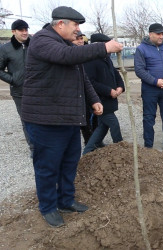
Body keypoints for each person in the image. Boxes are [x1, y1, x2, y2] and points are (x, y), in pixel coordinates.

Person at [21, 6, 123, 227]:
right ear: (60, 24)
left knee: (69, 163)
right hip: (45, 120)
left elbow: (82, 77)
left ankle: (66, 201)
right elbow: (68, 57)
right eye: (75, 25)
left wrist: (94, 99)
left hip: (67, 118)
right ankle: (48, 207)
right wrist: (104, 47)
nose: (78, 30)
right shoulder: (42, 41)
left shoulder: (64, 44)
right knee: (48, 167)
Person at [134, 23, 163, 153]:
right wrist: (155, 81)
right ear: (150, 34)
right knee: (149, 117)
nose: (161, 36)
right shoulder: (141, 49)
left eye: (162, 34)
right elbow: (139, 70)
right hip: (150, 90)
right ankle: (148, 146)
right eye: (158, 34)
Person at [83, 33, 125, 155]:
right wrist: (108, 91)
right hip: (99, 100)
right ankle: (121, 149)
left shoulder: (106, 59)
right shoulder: (90, 60)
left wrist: (120, 87)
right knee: (114, 124)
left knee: (102, 127)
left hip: (110, 99)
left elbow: (116, 75)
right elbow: (90, 82)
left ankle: (88, 151)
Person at [0, 19, 33, 156]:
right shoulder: (5, 49)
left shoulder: (34, 45)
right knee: (27, 120)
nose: (25, 32)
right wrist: (13, 80)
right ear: (14, 32)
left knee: (42, 119)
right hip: (19, 91)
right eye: (21, 30)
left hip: (39, 90)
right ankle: (33, 147)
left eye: (26, 29)